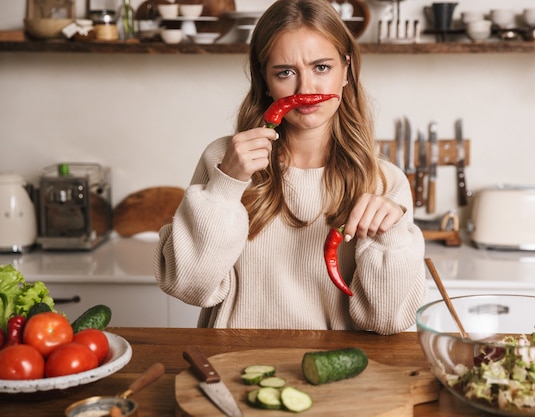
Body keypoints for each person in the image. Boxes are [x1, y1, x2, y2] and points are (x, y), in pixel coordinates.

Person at [154, 0, 428, 335]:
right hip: (233, 362)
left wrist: (394, 236)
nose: (305, 89)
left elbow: (385, 321)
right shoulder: (224, 159)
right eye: (285, 72)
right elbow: (189, 286)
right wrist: (226, 186)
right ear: (265, 80)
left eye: (322, 68)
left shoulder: (385, 182)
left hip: (336, 372)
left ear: (347, 70)